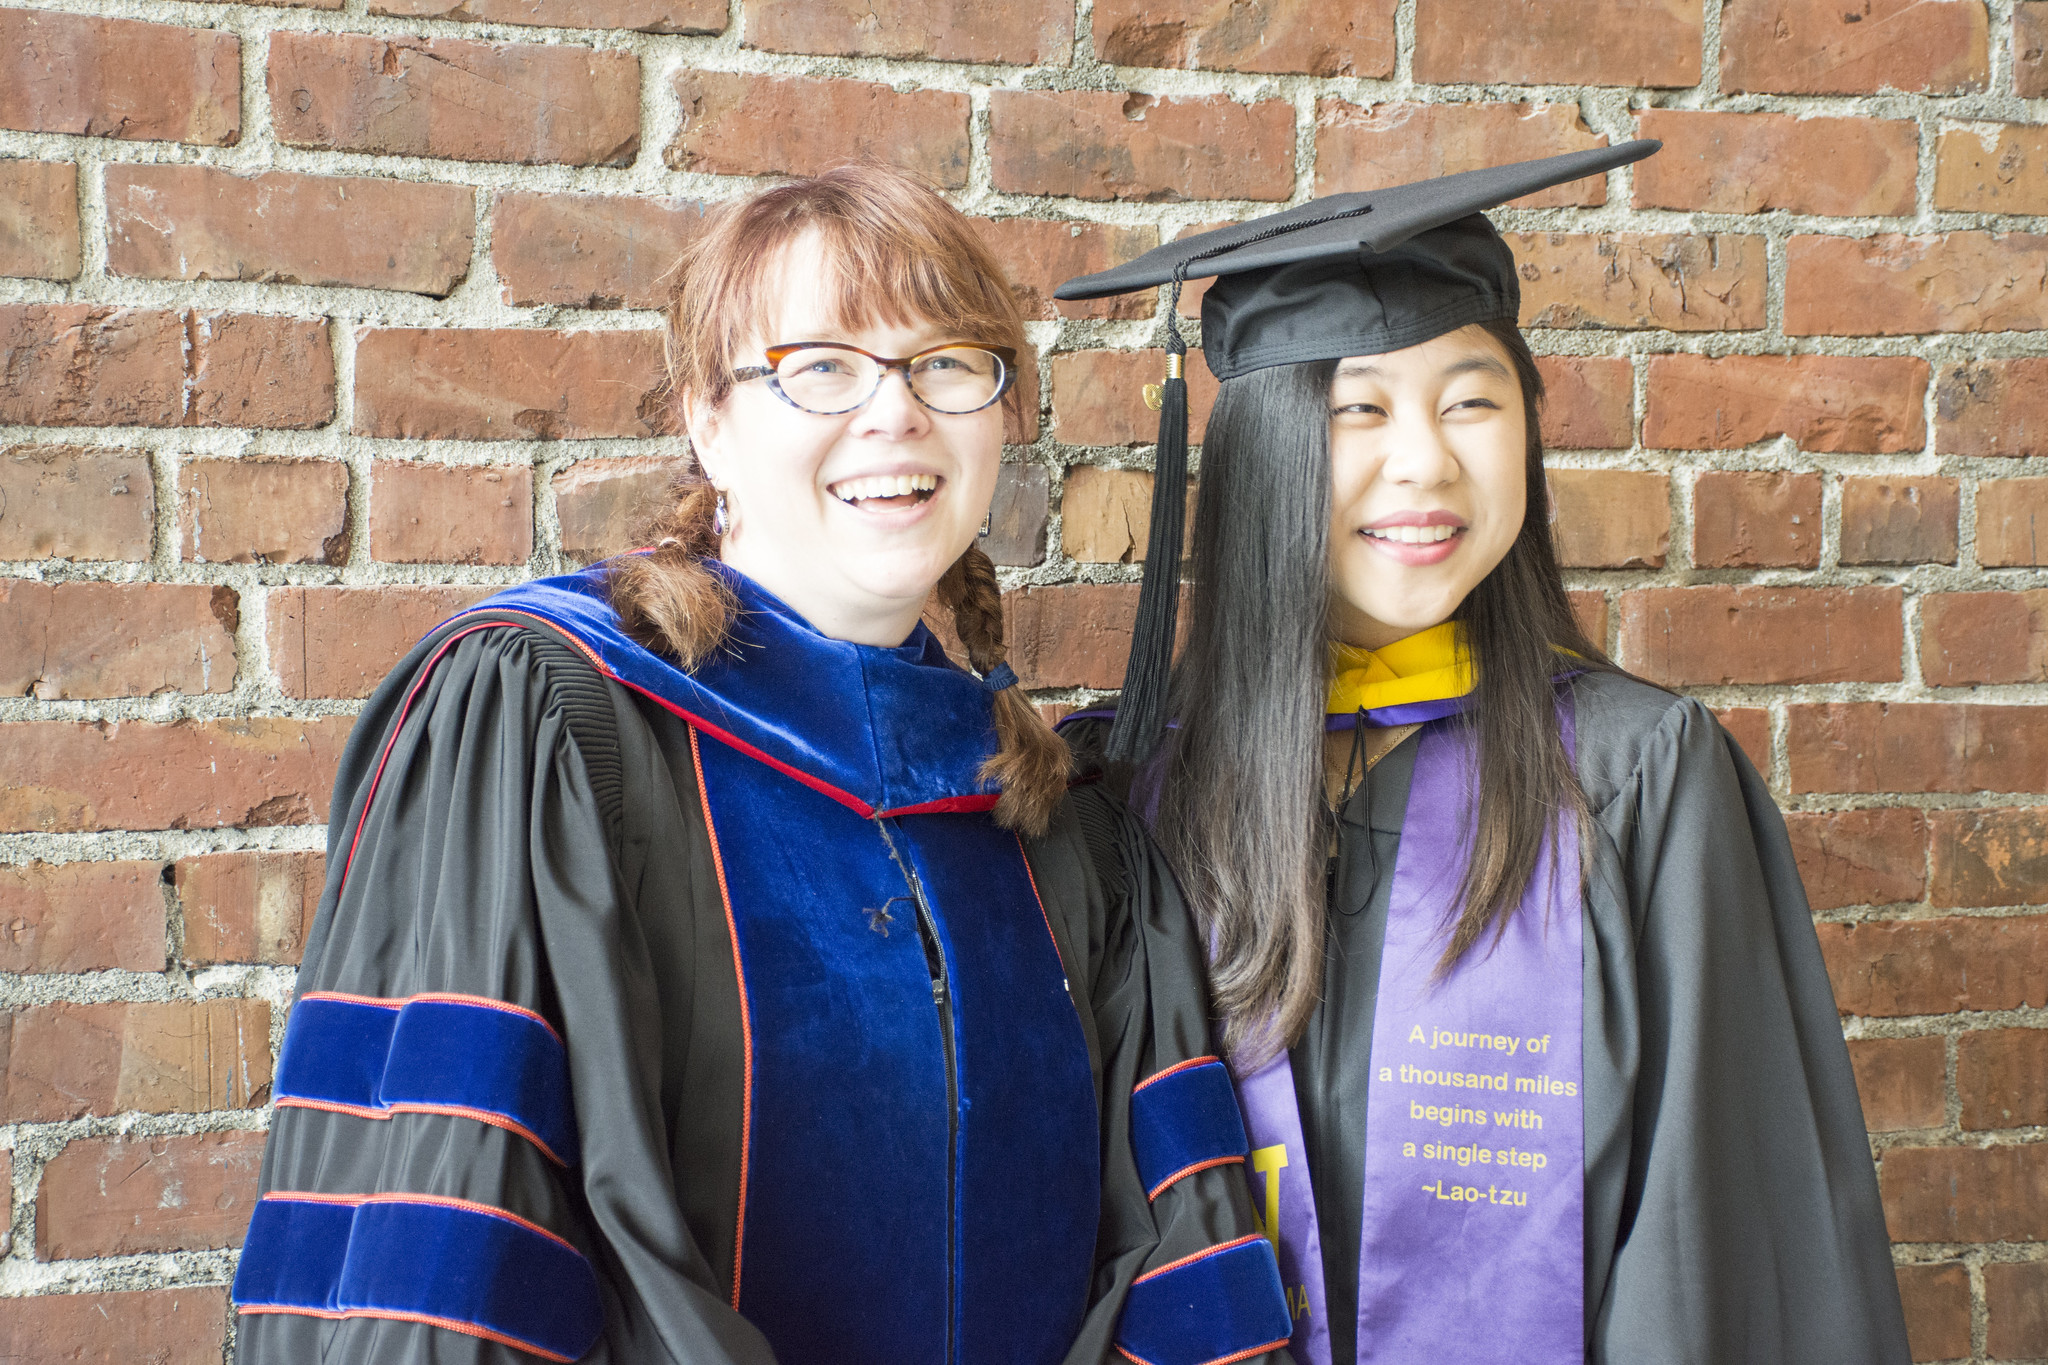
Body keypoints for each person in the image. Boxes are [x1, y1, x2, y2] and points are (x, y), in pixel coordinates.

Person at [229, 165, 1293, 1365]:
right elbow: (451, 1246)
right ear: (708, 420)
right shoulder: (549, 728)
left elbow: (1172, 1255)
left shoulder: (1054, 821)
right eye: (821, 365)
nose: (894, 413)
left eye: (946, 362)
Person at [1053, 145, 1912, 1365]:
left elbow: (1716, 1240)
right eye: (1358, 408)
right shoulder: (1124, 800)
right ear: (1258, 455)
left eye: (1470, 401)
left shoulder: (1633, 778)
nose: (1425, 462)